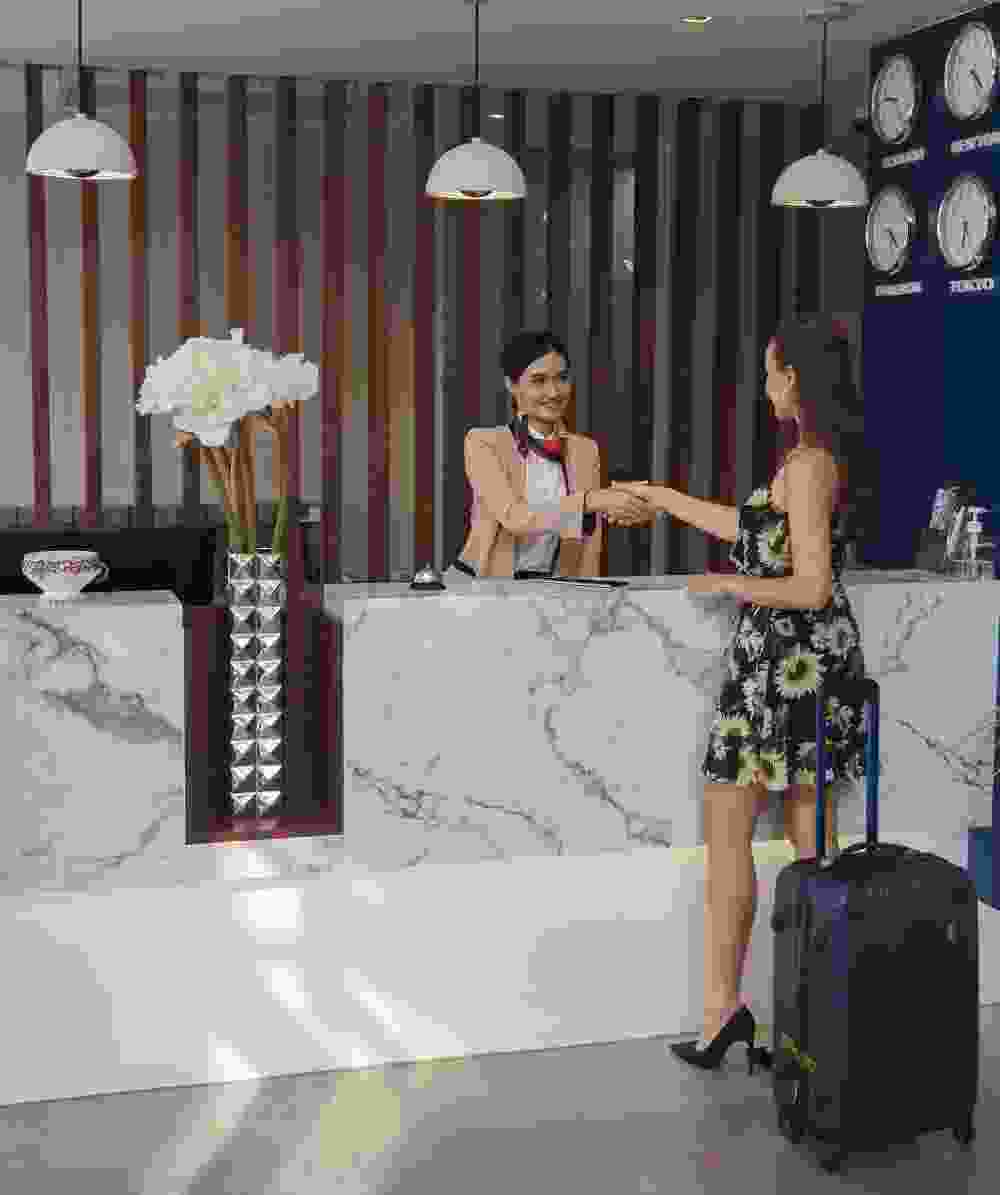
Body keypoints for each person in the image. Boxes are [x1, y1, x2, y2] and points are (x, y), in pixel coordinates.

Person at [614, 314, 869, 1070]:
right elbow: (748, 526)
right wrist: (663, 496)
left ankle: (731, 1011)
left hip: (787, 667)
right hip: (796, 666)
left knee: (748, 833)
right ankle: (816, 1020)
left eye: (770, 371)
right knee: (806, 842)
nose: (765, 386)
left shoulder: (807, 465)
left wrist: (730, 585)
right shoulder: (812, 460)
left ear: (795, 377)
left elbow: (812, 584)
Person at [446, 330, 655, 582]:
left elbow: (590, 539)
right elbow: (514, 517)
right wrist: (591, 500)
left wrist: (589, 592)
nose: (554, 392)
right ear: (511, 385)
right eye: (539, 380)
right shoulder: (483, 442)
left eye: (562, 378)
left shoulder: (586, 450)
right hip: (483, 587)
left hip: (554, 589)